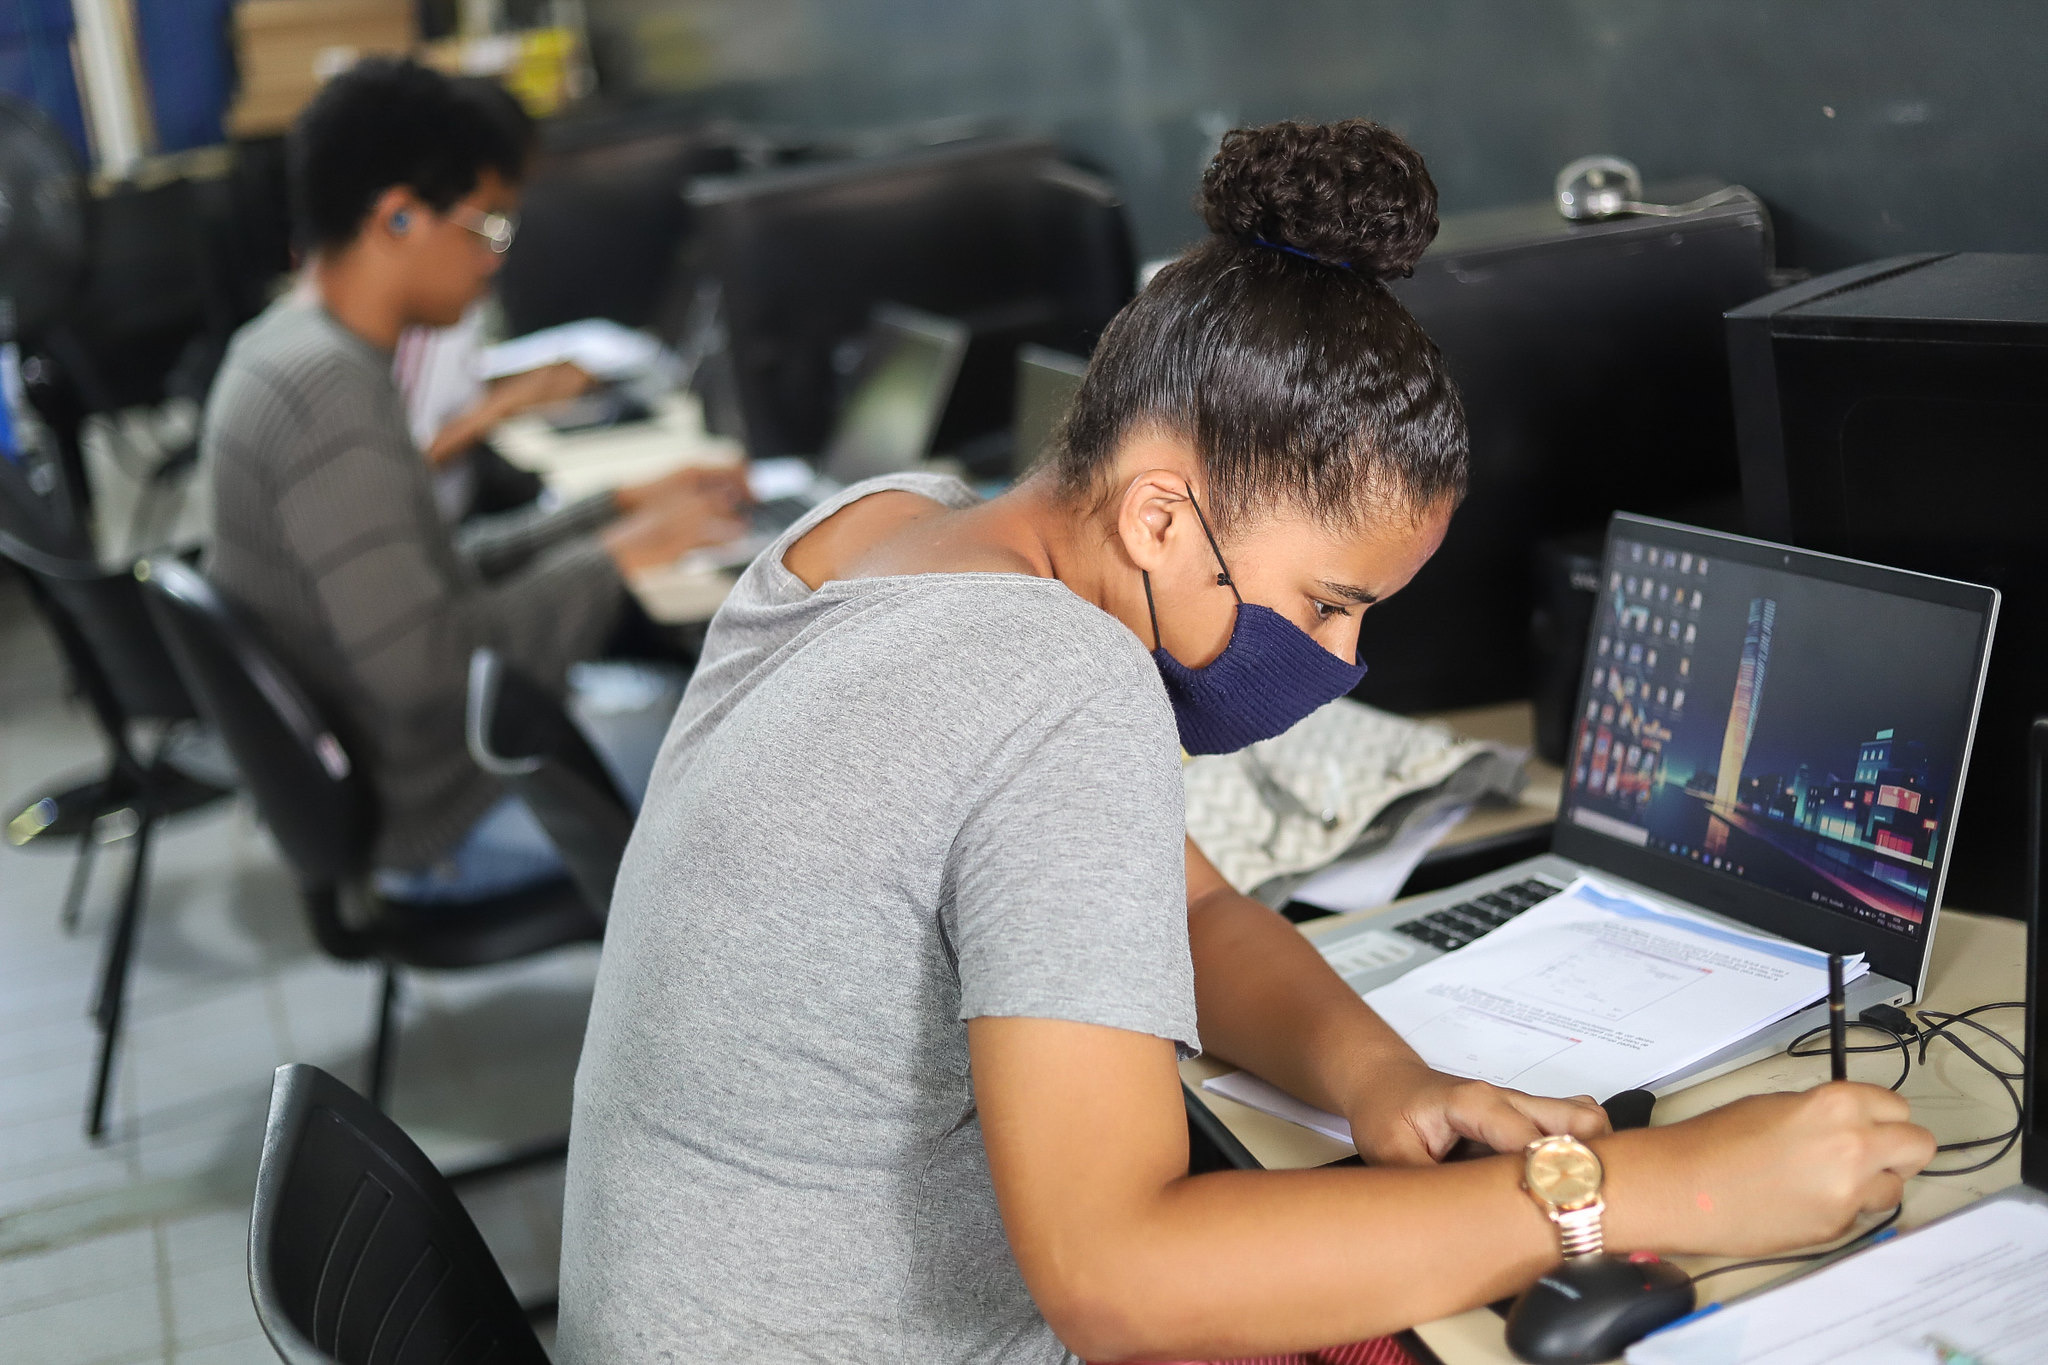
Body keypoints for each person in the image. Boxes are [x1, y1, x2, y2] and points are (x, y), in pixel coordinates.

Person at [554, 121, 1933, 1363]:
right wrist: (1661, 1189)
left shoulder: (872, 532)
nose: (1338, 663)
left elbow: (1189, 903)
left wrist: (1381, 1077)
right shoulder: (1057, 679)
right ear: (1159, 519)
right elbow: (1122, 1282)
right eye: (1325, 603)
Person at [199, 58, 745, 903]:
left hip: (424, 770)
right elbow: (424, 668)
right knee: (751, 762)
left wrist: (617, 513)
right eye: (487, 227)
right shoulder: (327, 395)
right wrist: (615, 558)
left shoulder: (288, 350)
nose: (495, 260)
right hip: (440, 812)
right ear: (400, 216)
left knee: (699, 709)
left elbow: (432, 576)